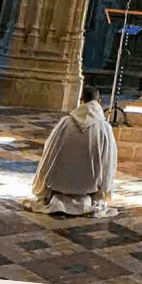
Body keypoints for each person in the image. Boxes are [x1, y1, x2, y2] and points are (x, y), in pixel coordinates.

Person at [29, 86, 118, 216]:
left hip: (59, 186)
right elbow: (109, 162)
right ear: (99, 101)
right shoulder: (104, 128)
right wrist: (104, 191)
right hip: (88, 189)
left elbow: (49, 154)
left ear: (81, 100)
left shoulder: (65, 123)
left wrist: (44, 185)